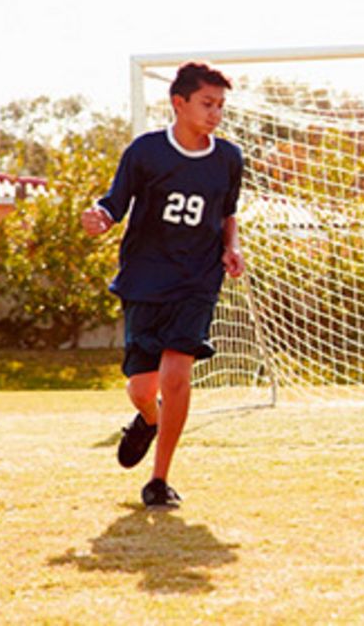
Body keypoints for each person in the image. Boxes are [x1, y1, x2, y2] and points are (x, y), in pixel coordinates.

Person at [81, 62, 246, 508]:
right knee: (141, 388)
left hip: (197, 280)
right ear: (179, 103)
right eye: (207, 104)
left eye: (220, 106)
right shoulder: (145, 153)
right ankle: (147, 420)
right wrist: (100, 217)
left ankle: (159, 479)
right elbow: (114, 203)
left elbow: (227, 213)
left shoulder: (229, 158)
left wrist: (232, 247)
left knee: (176, 376)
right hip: (145, 279)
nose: (215, 113)